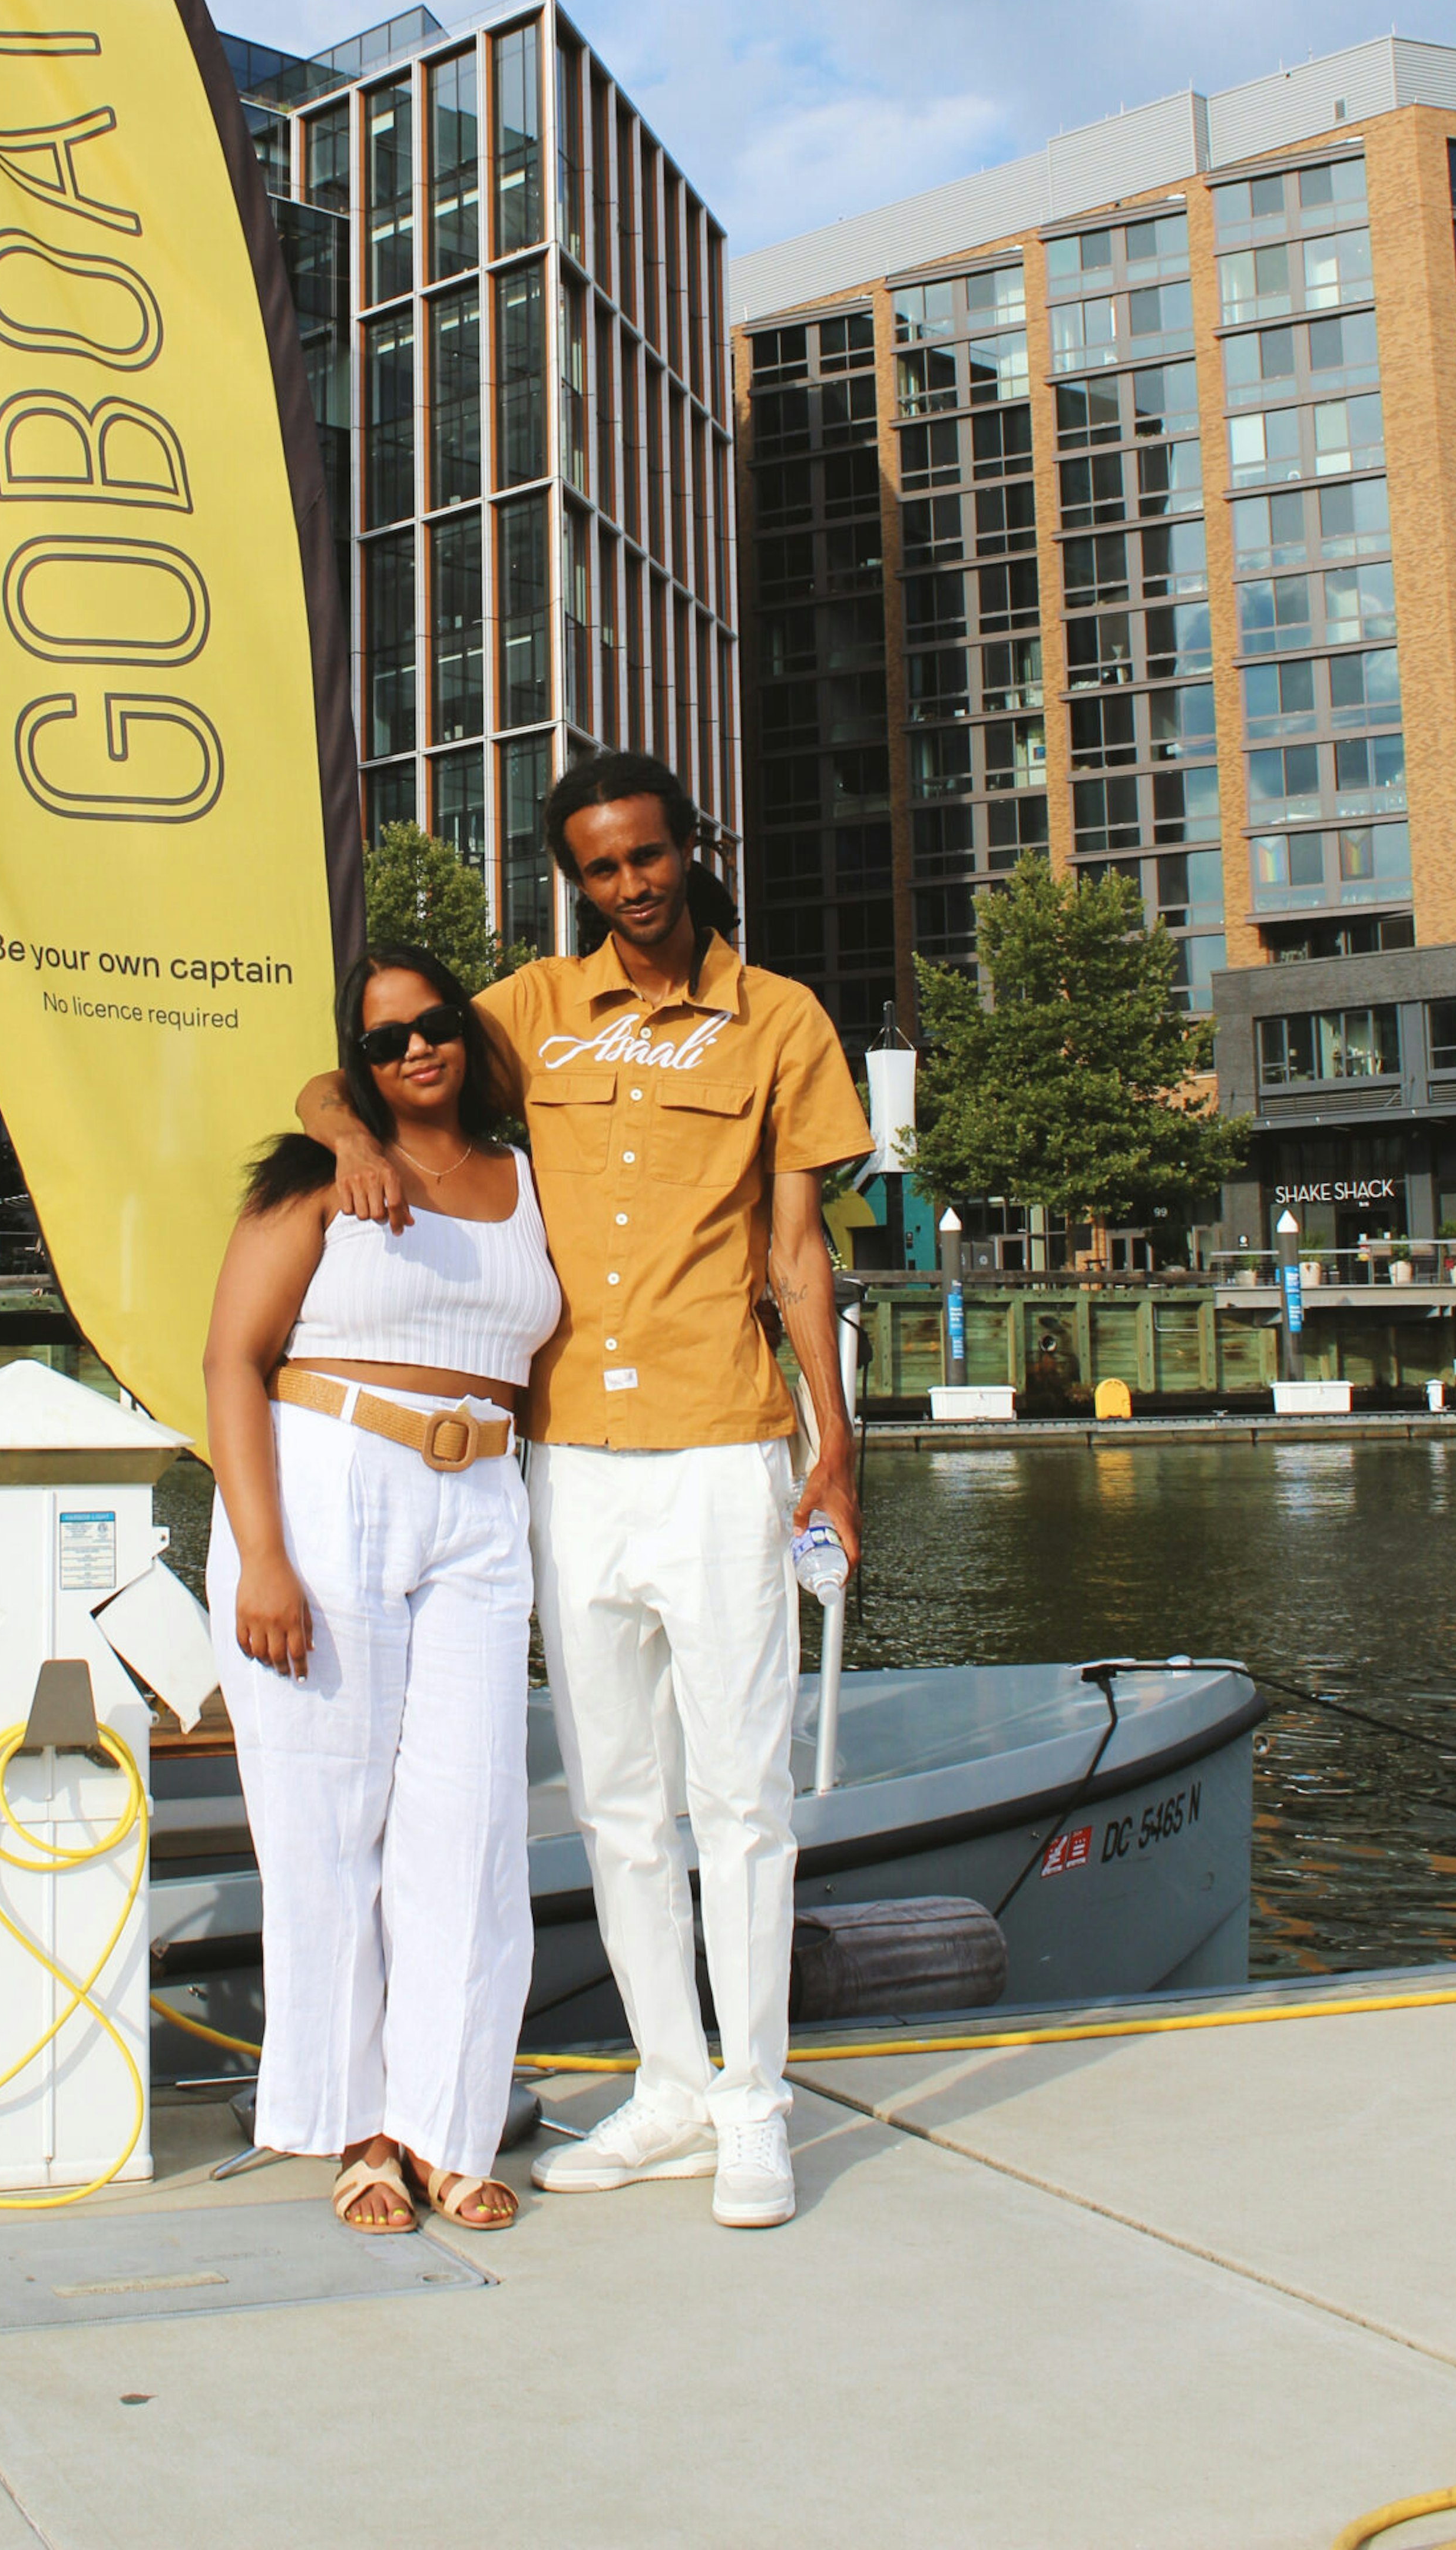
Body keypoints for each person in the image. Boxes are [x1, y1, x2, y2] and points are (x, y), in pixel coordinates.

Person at [300, 754, 870, 2230]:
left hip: (722, 1444)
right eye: (603, 869)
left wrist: (836, 1443)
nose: (633, 884)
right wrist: (353, 1137)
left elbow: (799, 1252)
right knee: (617, 1801)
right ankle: (669, 2084)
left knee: (738, 1794)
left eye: (650, 855)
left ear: (690, 846)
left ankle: (756, 2104)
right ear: (579, 882)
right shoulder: (530, 1014)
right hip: (560, 1460)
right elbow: (343, 1065)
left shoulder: (780, 1021)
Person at [203, 944, 562, 2238]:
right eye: (383, 1039)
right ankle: (355, 2131)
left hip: (482, 1504)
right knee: (322, 1825)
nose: (416, 1048)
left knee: (471, 1830)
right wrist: (260, 1552)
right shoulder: (316, 1177)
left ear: (466, 1030)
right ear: (357, 1063)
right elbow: (231, 1362)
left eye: (434, 1024)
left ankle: (447, 2127)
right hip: (326, 1484)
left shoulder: (530, 1180)